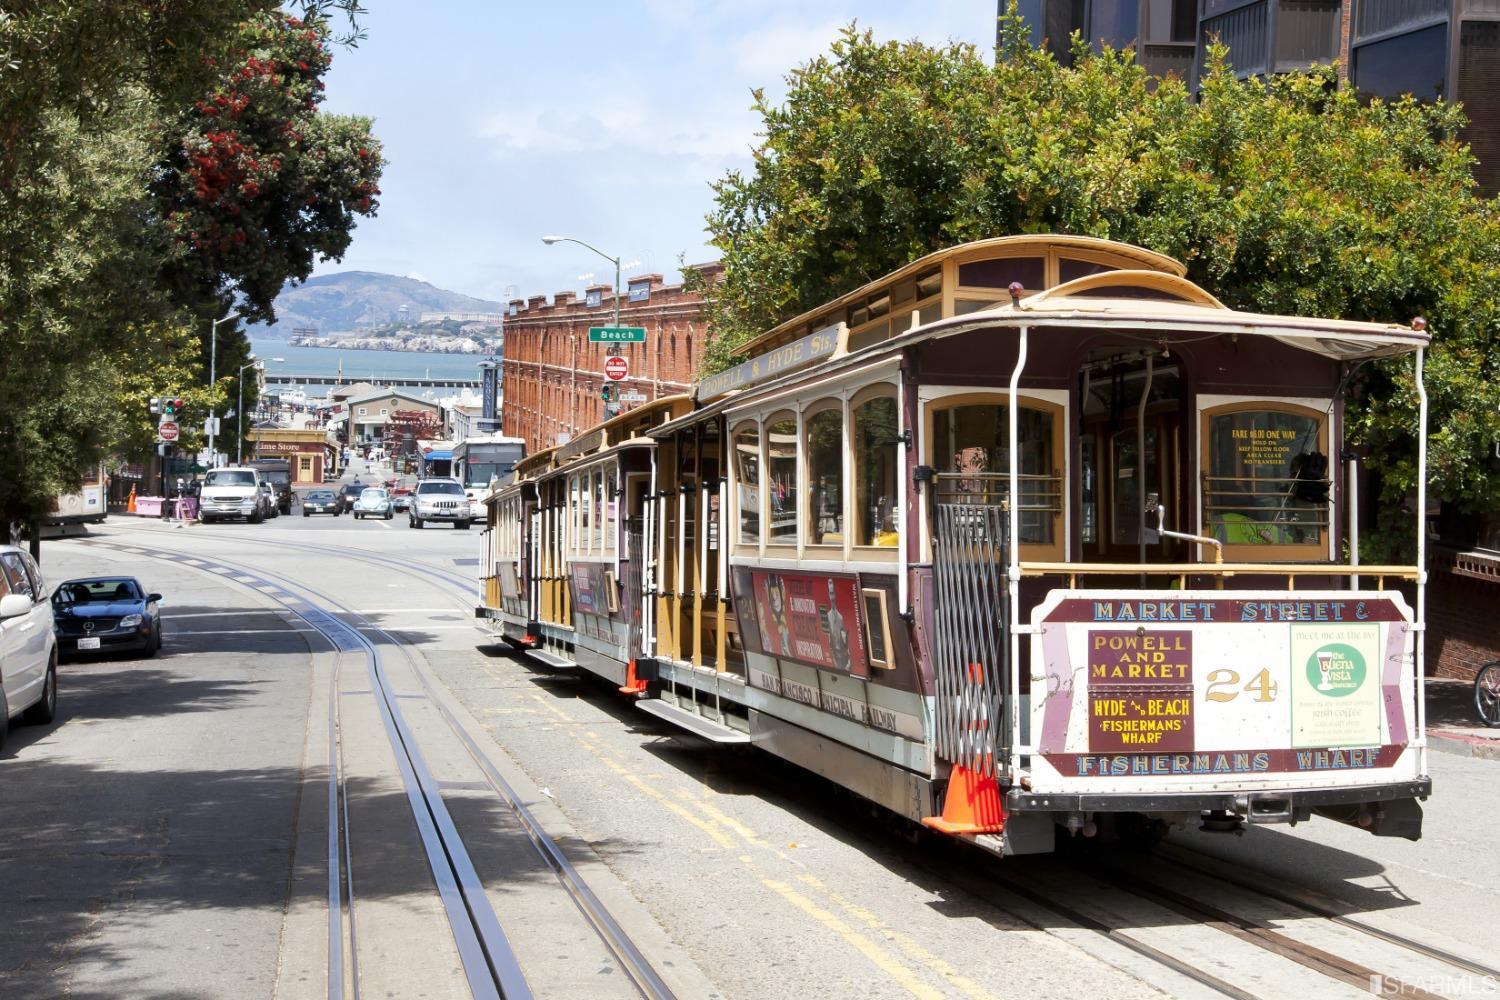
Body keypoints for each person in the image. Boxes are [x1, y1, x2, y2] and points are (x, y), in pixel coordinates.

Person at [825, 578, 851, 673]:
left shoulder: (841, 616)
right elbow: (829, 641)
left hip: (845, 660)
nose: (832, 597)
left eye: (833, 593)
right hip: (836, 660)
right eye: (830, 593)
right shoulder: (828, 616)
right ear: (828, 594)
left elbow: (848, 642)